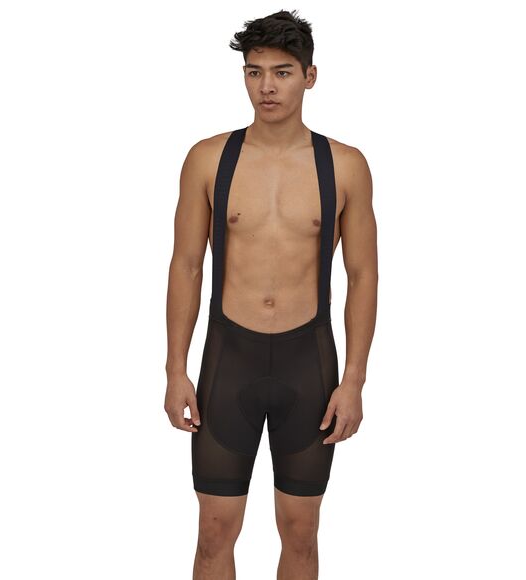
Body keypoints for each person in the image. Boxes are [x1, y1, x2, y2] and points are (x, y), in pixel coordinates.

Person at [164, 9, 378, 580]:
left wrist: (354, 380)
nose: (267, 86)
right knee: (213, 534)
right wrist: (175, 370)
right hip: (227, 359)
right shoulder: (208, 158)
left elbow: (363, 275)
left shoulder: (346, 166)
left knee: (301, 534)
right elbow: (186, 266)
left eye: (282, 72)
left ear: (310, 76)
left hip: (308, 362)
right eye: (254, 72)